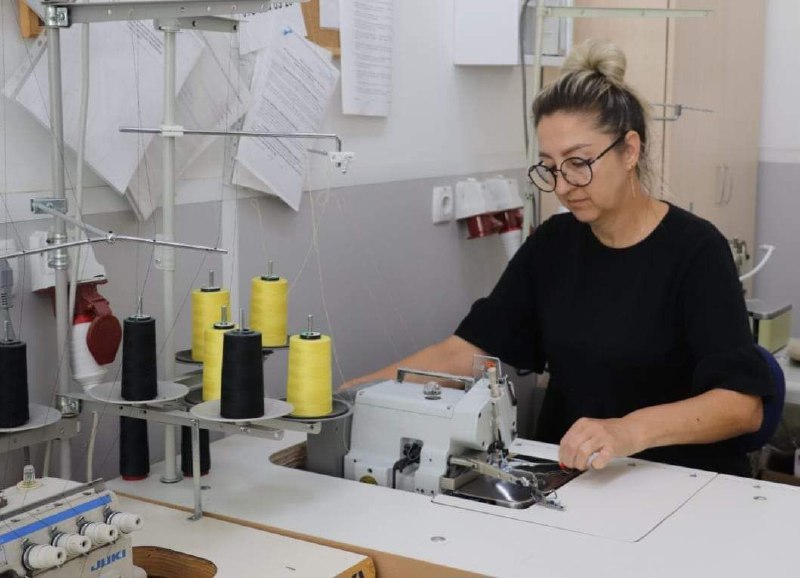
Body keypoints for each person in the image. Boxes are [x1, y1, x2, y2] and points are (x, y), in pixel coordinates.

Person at [342, 40, 772, 477]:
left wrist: (628, 431)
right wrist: (352, 395)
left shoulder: (696, 251)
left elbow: (741, 407)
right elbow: (468, 350)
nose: (563, 186)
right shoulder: (553, 245)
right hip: (574, 476)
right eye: (550, 167)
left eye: (579, 162)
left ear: (630, 150)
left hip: (678, 480)